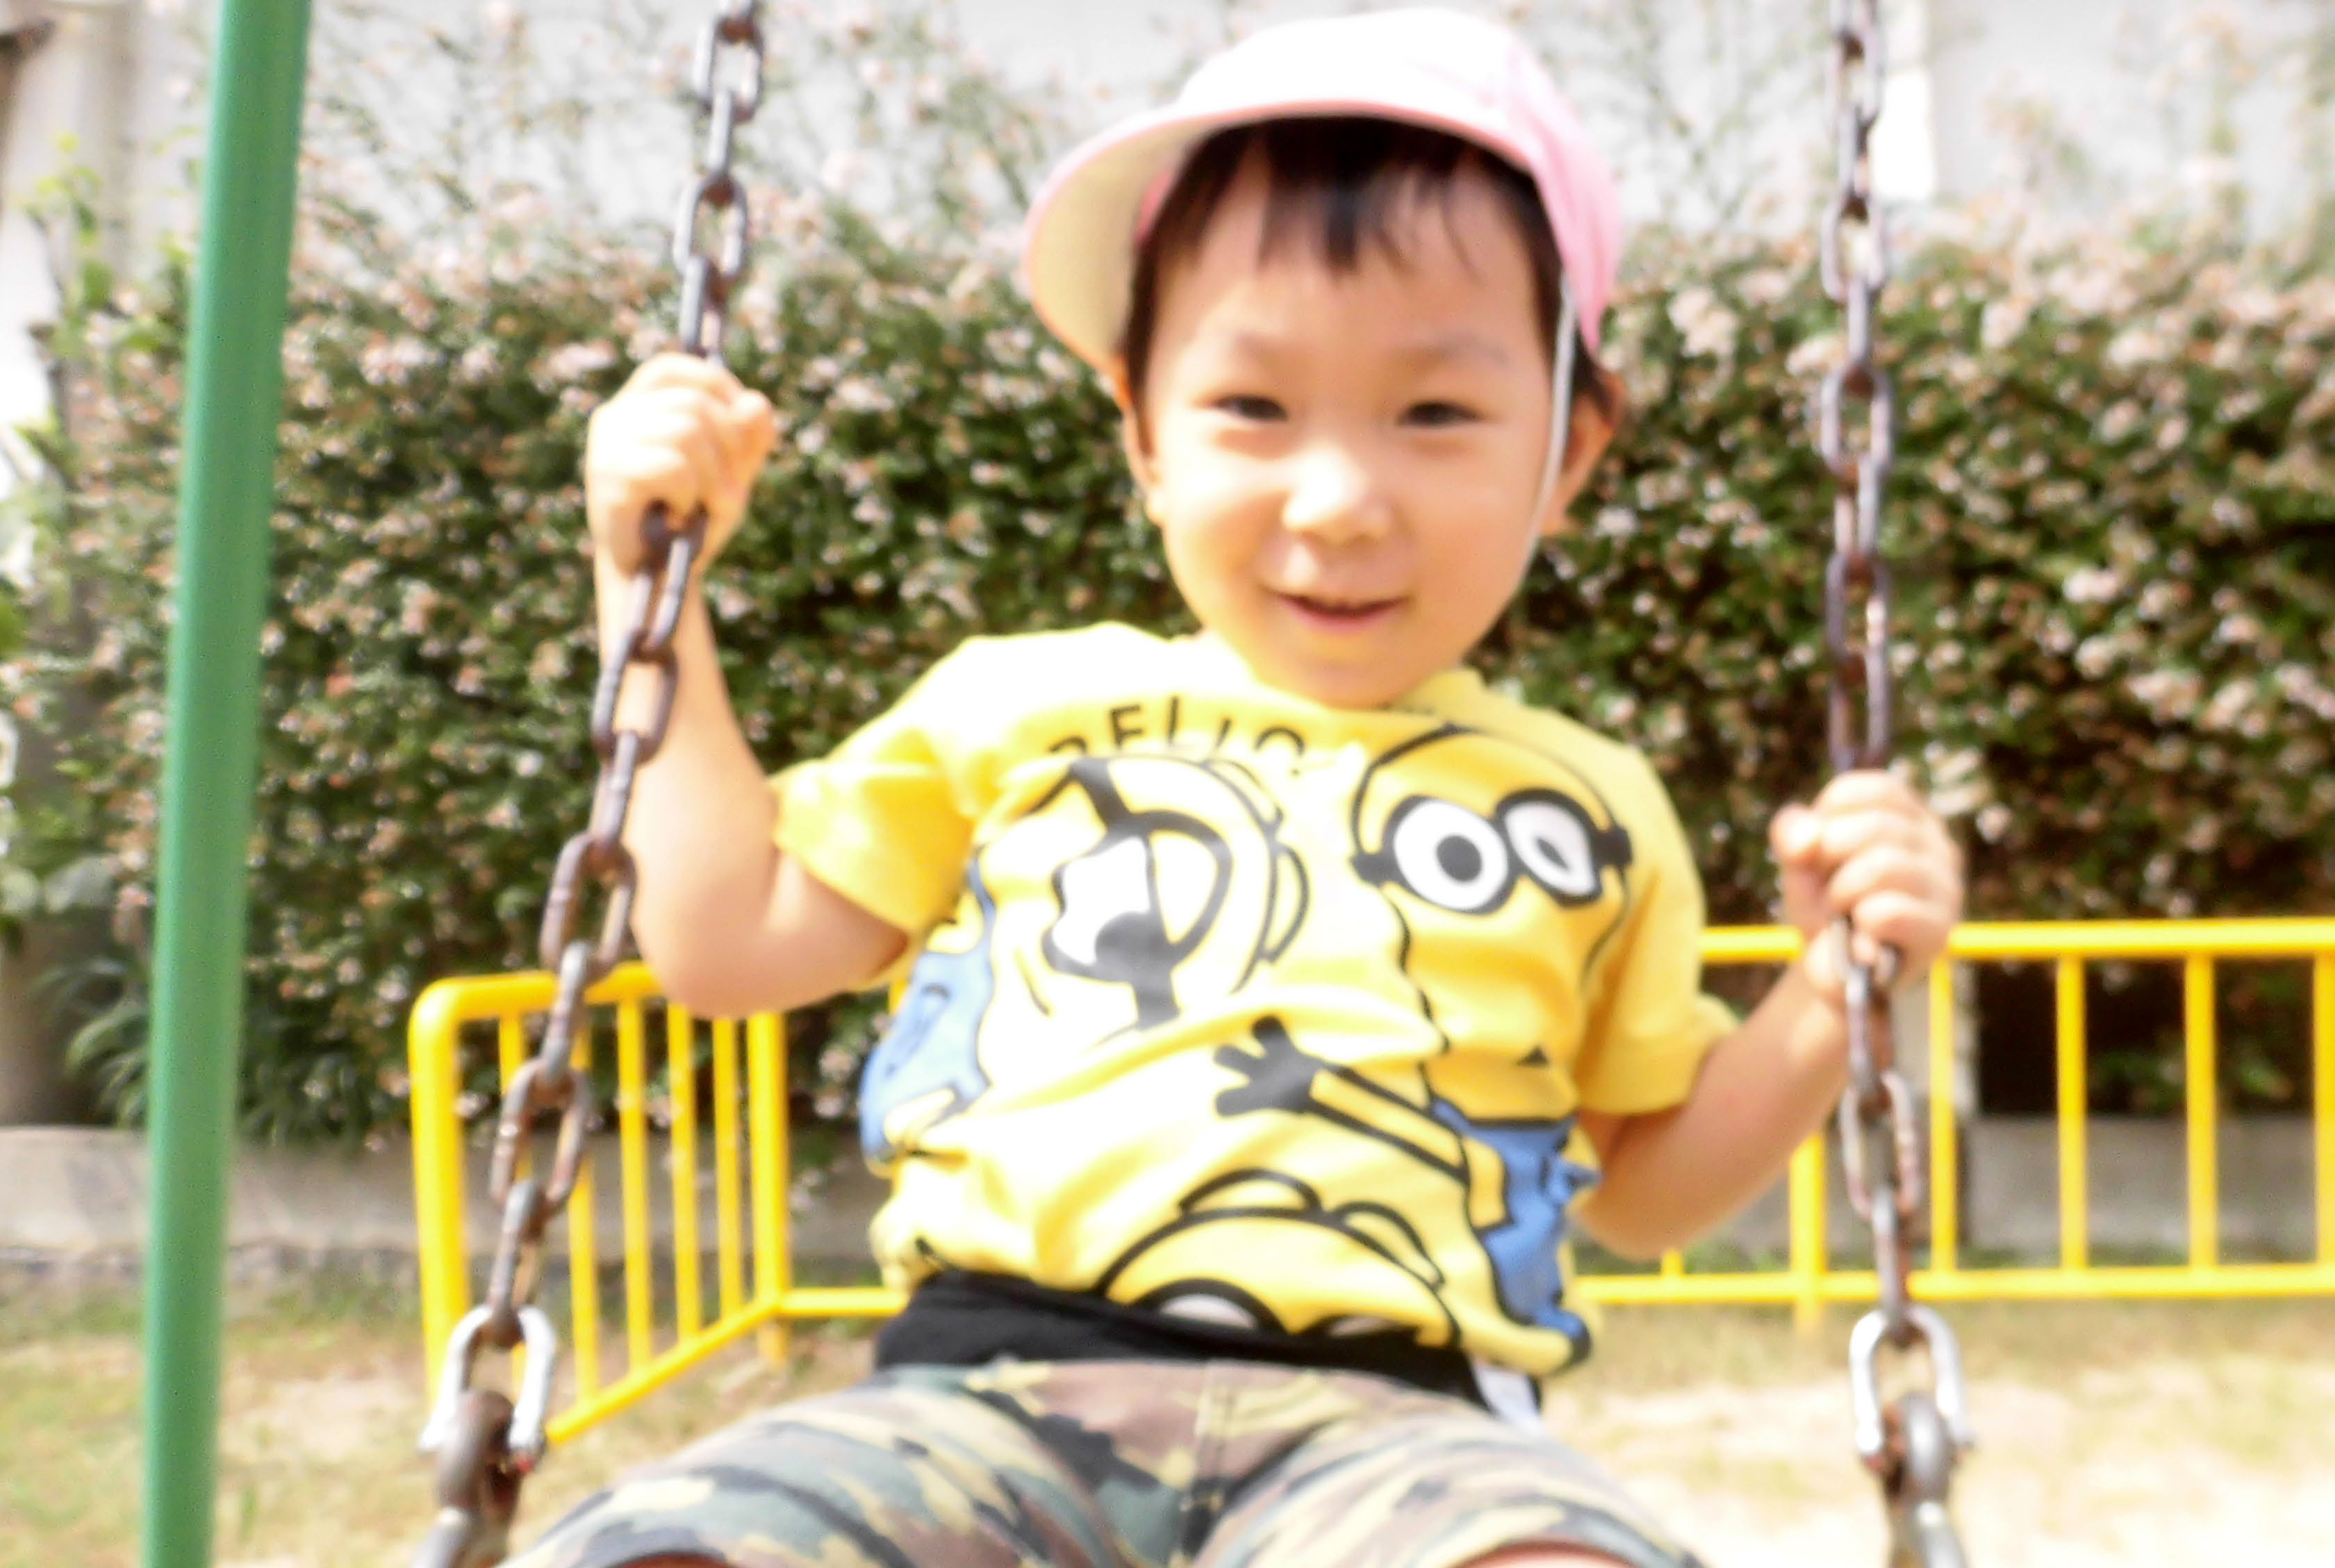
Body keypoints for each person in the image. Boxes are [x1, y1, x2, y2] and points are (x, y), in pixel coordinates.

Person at [518, 10, 1962, 1568]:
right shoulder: (1015, 711)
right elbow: (726, 941)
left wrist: (1833, 988)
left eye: (1435, 413)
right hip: (981, 1402)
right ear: (1142, 430)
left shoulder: (1589, 808)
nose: (1336, 502)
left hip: (1405, 1437)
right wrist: (646, 591)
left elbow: (1644, 1191)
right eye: (1252, 409)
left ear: (1567, 454)